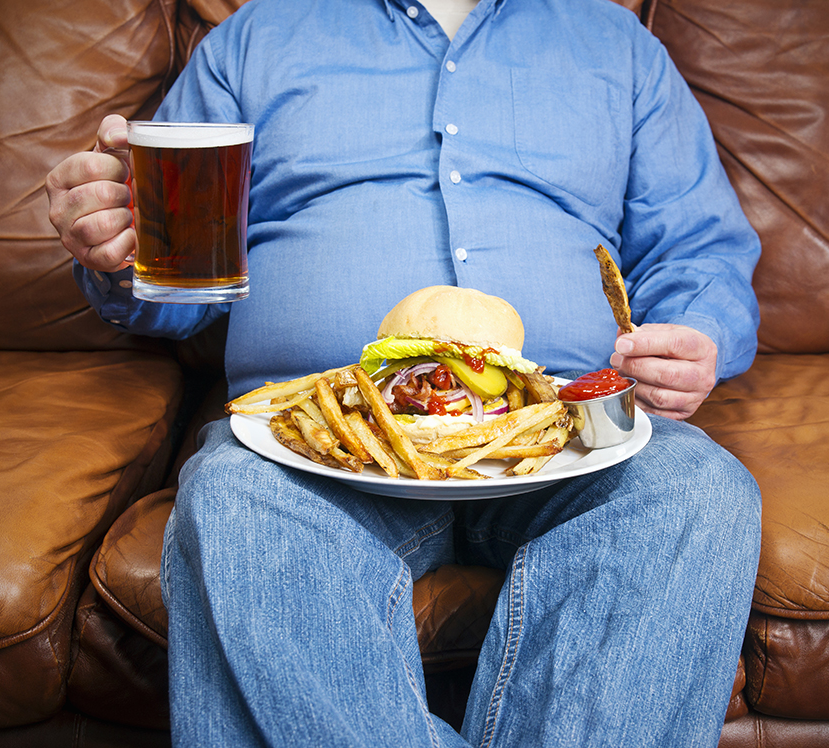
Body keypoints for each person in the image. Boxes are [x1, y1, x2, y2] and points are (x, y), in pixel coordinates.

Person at [46, 0, 762, 745]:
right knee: (235, 499)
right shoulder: (254, 40)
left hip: (566, 428)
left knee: (696, 490)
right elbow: (181, 279)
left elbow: (699, 249)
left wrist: (695, 334)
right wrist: (123, 252)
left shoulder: (620, 48)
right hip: (319, 436)